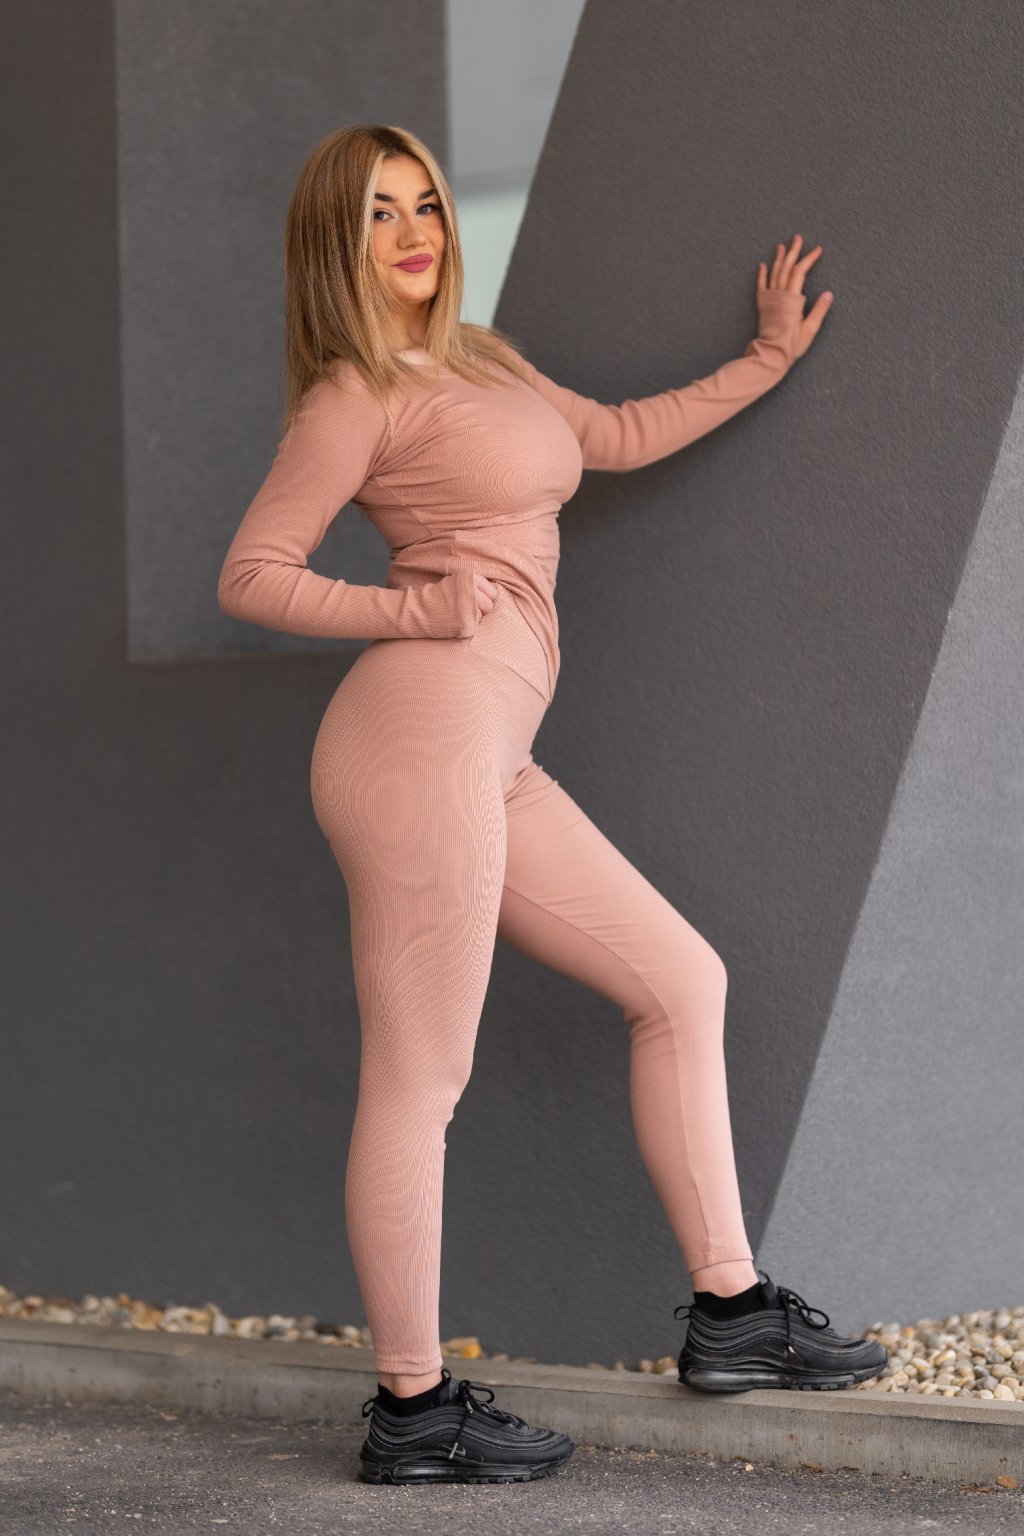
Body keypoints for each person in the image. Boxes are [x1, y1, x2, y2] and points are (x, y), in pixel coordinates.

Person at [217, 123, 887, 1485]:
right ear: (334, 243)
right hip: (418, 740)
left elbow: (621, 436)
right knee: (422, 1078)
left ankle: (732, 1310)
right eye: (378, 213)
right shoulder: (351, 394)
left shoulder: (481, 358)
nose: (415, 231)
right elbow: (251, 573)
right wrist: (411, 608)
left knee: (681, 981)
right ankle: (413, 1409)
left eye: (425, 202)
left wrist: (765, 359)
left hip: (490, 749)